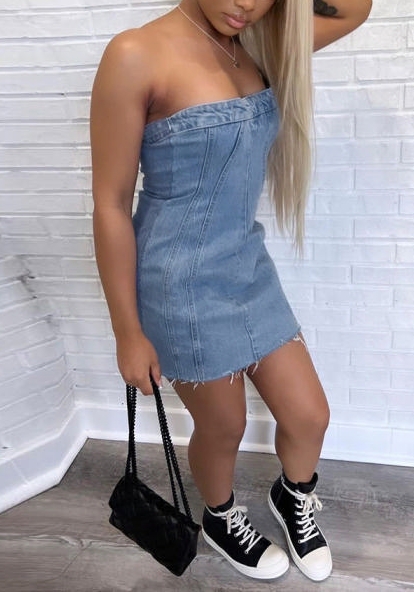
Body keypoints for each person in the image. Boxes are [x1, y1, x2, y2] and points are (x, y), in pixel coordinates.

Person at [90, 0, 372, 582]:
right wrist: (127, 332)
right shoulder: (135, 54)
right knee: (224, 428)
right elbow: (110, 205)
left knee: (309, 415)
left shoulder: (261, 46)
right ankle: (220, 517)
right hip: (179, 284)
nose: (248, 4)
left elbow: (353, 9)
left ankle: (292, 497)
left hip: (248, 265)